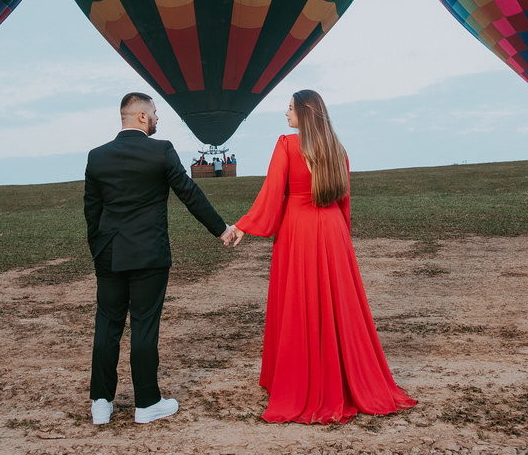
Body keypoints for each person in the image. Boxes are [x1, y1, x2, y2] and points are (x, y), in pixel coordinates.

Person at [222, 90, 416, 423]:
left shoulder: (286, 144)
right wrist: (342, 242)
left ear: (304, 114)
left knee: (299, 303)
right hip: (333, 230)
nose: (286, 114)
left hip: (298, 230)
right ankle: (342, 378)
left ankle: (298, 381)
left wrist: (243, 225)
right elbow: (344, 201)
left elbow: (270, 196)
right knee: (337, 306)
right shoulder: (338, 150)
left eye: (290, 108)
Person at [84, 92, 235, 425]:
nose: (157, 118)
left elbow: (91, 210)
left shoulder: (97, 157)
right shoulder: (161, 150)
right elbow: (189, 194)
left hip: (109, 253)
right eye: (154, 113)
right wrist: (221, 229)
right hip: (148, 253)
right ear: (141, 116)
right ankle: (147, 403)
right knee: (143, 327)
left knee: (107, 327)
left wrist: (99, 246)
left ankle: (100, 402)